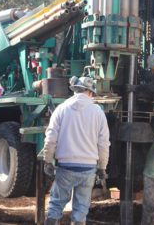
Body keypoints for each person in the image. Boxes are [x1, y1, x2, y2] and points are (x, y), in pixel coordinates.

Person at [43, 76, 110, 225]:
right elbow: (104, 143)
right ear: (90, 92)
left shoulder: (62, 109)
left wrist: (47, 160)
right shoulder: (98, 112)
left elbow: (50, 138)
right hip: (88, 168)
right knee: (81, 210)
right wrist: (102, 167)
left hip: (66, 166)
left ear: (75, 90)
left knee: (56, 205)